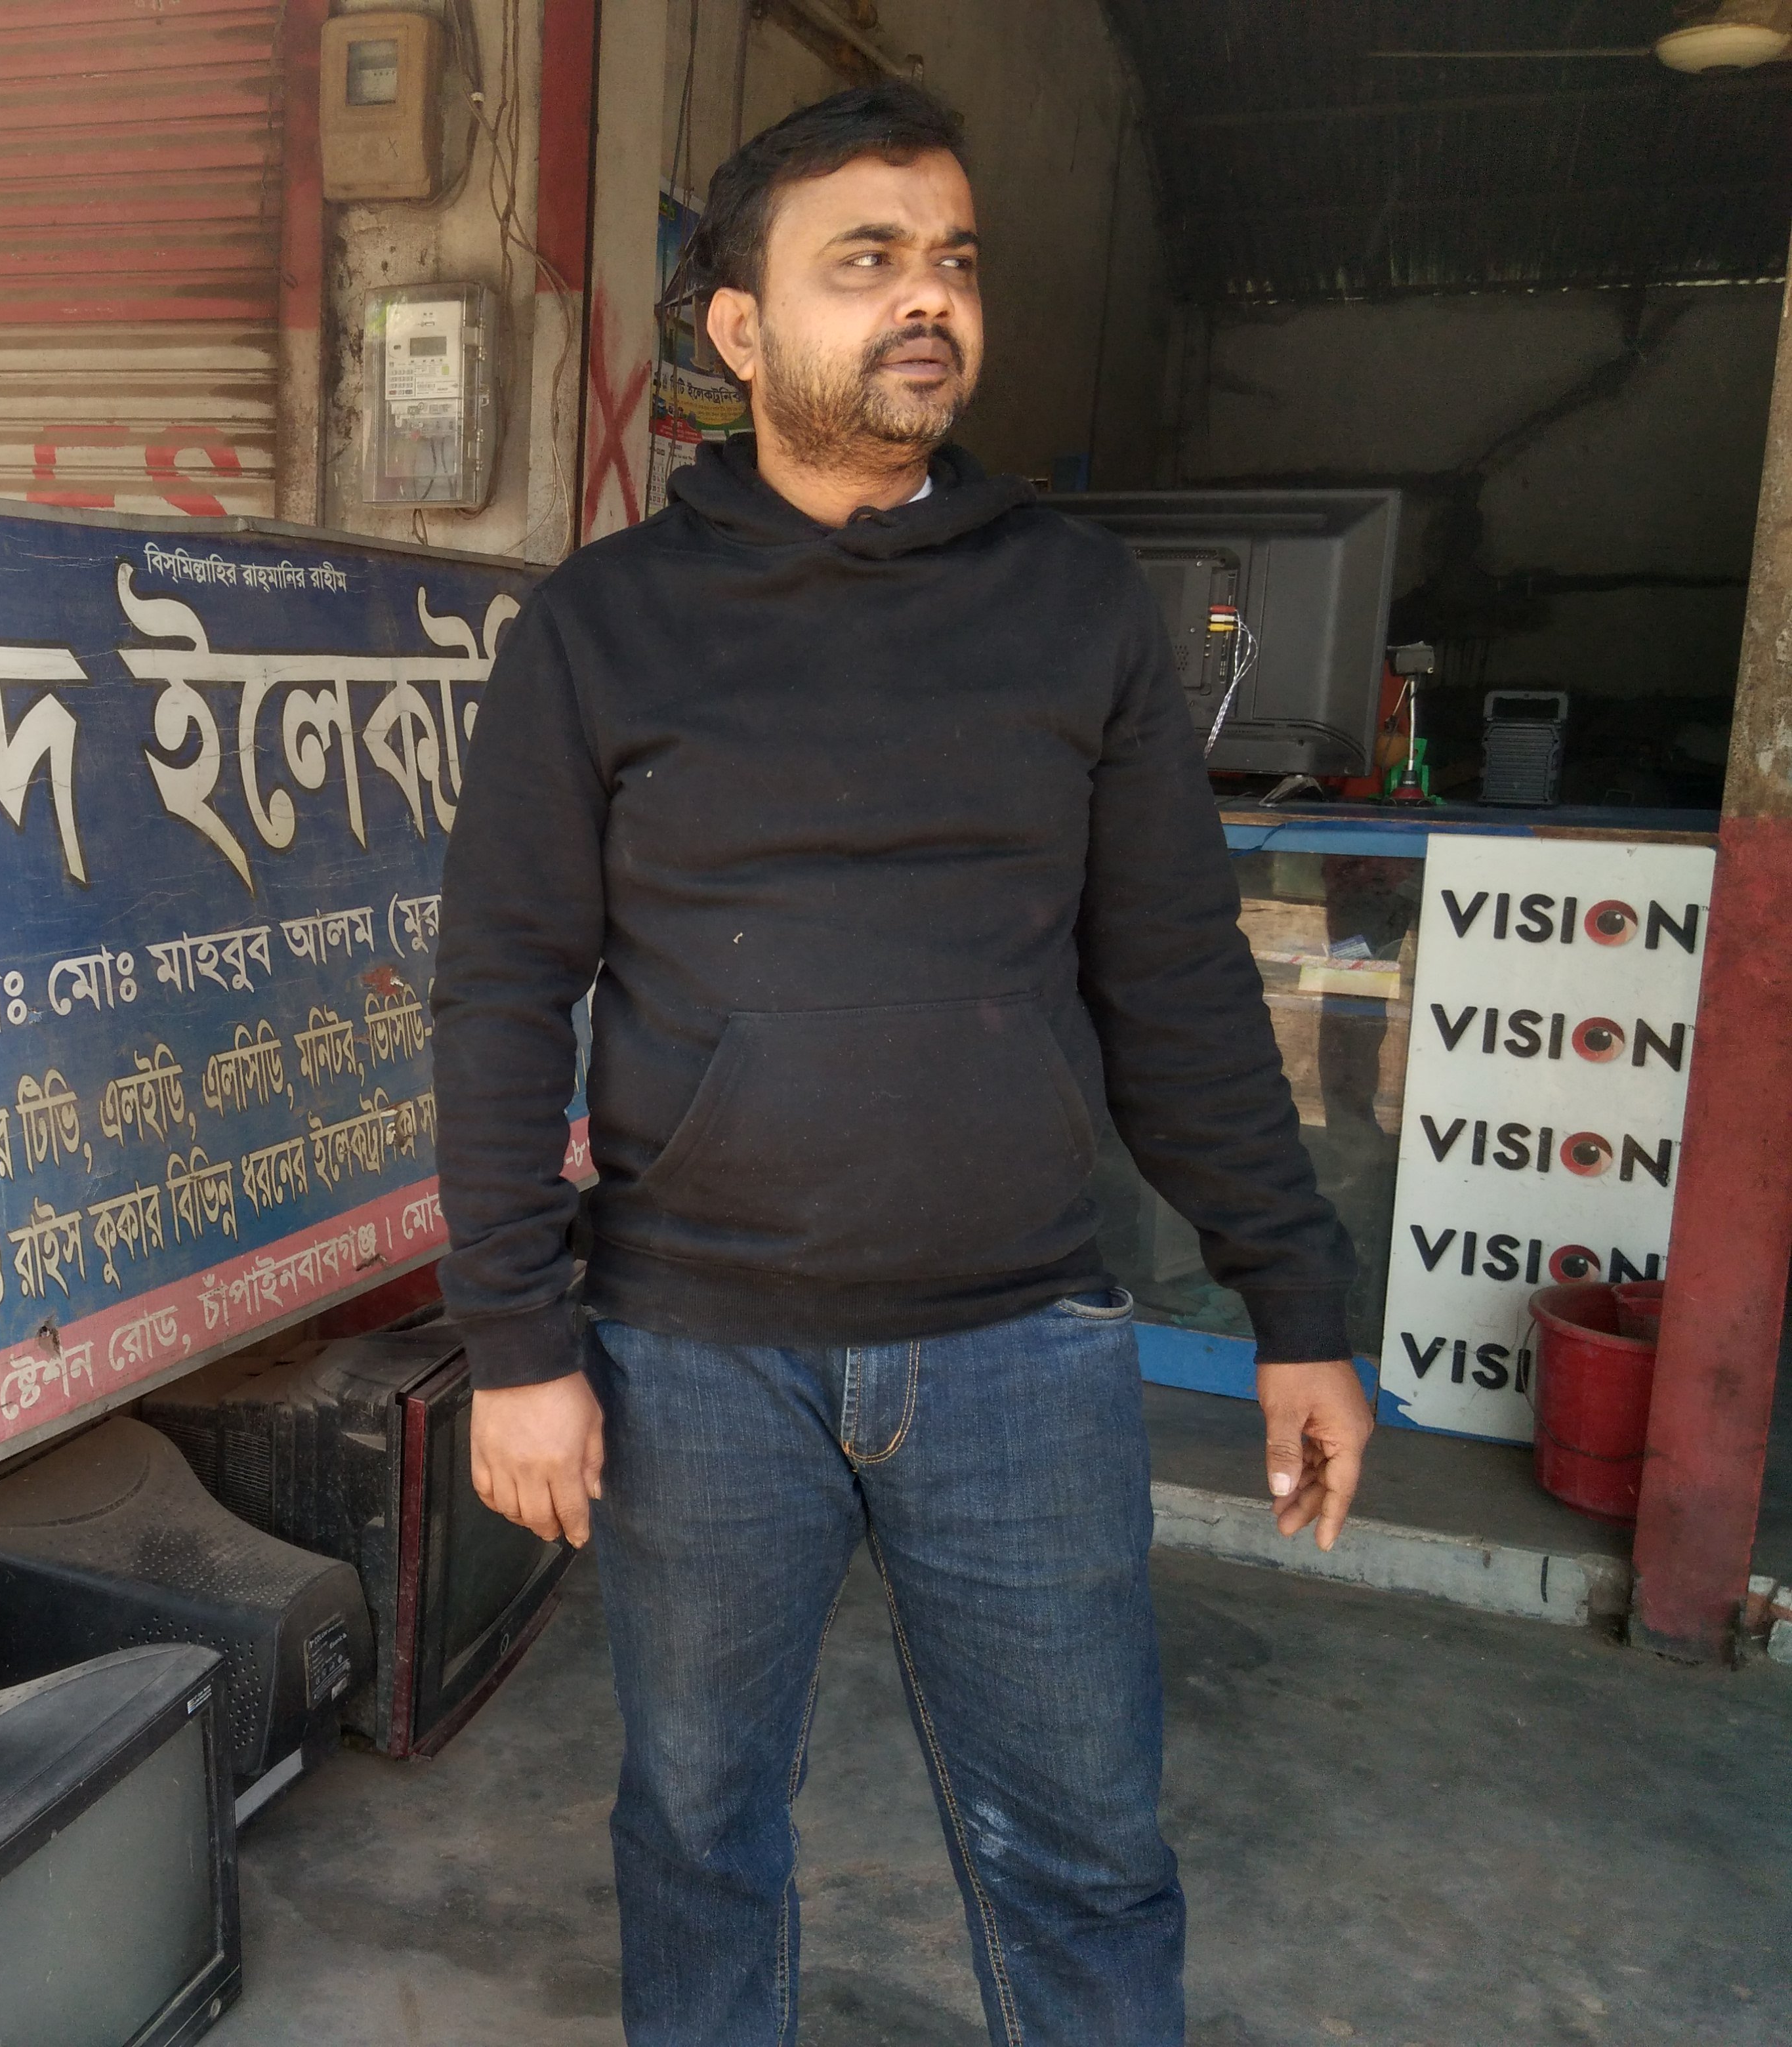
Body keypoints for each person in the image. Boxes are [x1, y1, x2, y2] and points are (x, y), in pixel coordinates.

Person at [430, 79, 1373, 2047]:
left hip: (1019, 1345)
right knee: (696, 1829)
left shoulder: (1073, 606)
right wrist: (515, 1340)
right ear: (740, 326)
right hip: (694, 1352)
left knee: (1084, 1849)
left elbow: (1177, 982)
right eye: (864, 261)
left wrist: (1294, 1299)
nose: (925, 298)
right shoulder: (601, 629)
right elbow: (503, 993)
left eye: (950, 260)